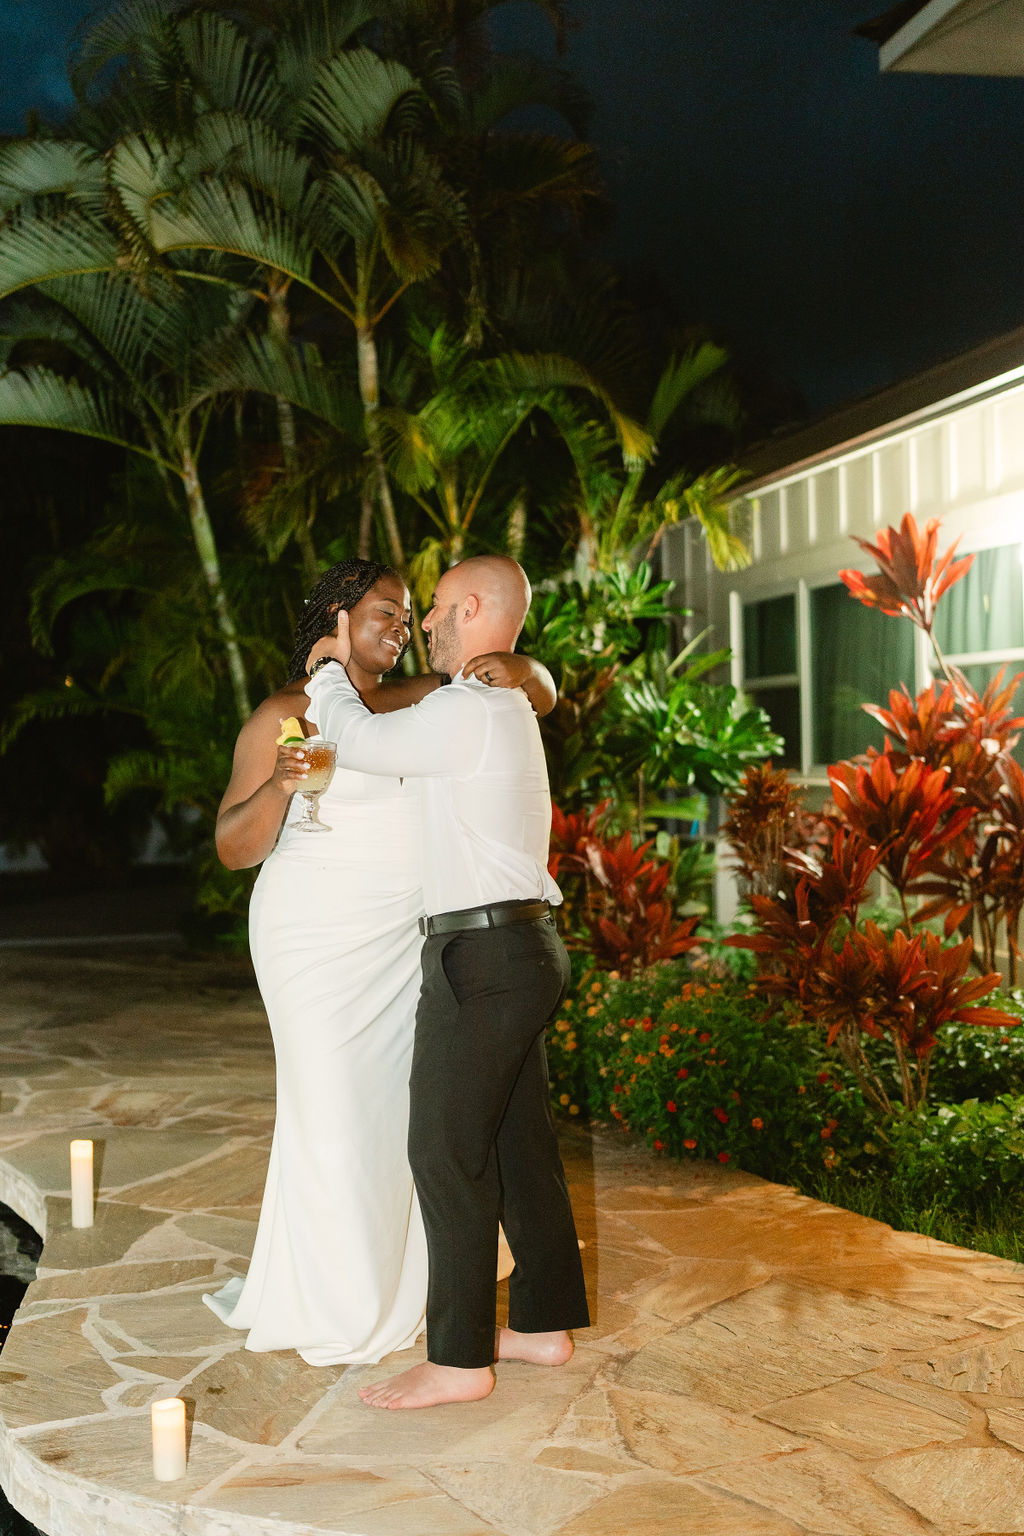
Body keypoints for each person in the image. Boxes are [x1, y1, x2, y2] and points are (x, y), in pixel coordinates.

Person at [204, 557, 555, 1366]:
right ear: (334, 614)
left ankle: (411, 1295)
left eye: (409, 615)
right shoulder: (282, 716)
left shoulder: (431, 697)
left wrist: (528, 666)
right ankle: (341, 1305)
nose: (402, 627)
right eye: (386, 612)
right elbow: (232, 846)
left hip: (408, 943)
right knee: (331, 1112)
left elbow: (532, 698)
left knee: (404, 1122)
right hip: (313, 941)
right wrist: (282, 789)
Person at [304, 554, 590, 1409]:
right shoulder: (490, 706)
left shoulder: (473, 708)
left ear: (470, 609)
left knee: (442, 1148)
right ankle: (540, 1323)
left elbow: (355, 738)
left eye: (433, 609)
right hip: (513, 949)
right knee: (516, 1144)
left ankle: (460, 1359)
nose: (425, 623)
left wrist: (324, 673)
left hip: (486, 958)